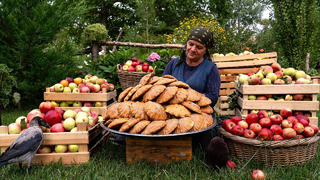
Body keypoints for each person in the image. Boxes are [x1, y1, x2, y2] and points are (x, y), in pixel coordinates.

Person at [162, 26, 228, 164]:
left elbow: (212, 97)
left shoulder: (210, 69)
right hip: (171, 113)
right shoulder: (173, 64)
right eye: (191, 44)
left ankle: (214, 152)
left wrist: (188, 98)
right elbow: (161, 87)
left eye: (199, 47)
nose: (193, 49)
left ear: (205, 50)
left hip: (199, 114)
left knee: (206, 134)